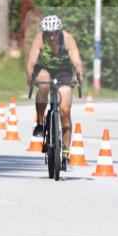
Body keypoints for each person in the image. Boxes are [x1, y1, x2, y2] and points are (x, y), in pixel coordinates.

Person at [25, 15, 84, 164]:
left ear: (60, 30)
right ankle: (39, 122)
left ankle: (65, 150)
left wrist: (79, 75)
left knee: (65, 111)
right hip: (44, 69)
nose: (51, 37)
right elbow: (31, 61)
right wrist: (30, 77)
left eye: (55, 33)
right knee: (44, 84)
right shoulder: (39, 38)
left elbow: (76, 60)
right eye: (48, 34)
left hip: (63, 72)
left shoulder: (68, 39)